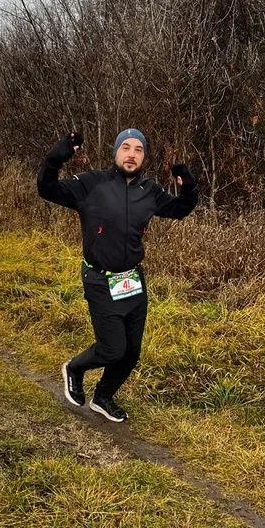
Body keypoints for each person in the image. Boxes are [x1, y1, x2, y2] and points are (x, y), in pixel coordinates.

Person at [38, 128, 199, 423]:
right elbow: (46, 188)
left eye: (138, 150)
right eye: (126, 147)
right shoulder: (91, 185)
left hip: (133, 281)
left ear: (144, 158)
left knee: (131, 353)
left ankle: (103, 397)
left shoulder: (148, 191)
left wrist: (186, 181)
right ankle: (75, 368)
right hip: (100, 279)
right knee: (113, 349)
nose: (131, 154)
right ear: (115, 153)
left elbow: (181, 209)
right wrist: (59, 154)